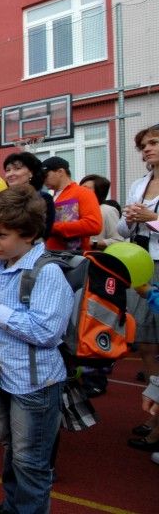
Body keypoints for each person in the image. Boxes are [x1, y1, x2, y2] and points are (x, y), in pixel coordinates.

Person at [0, 185, 73, 513]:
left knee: (31, 461)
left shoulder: (47, 272)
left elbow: (45, 331)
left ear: (29, 235)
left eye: (1, 235)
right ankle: (14, 506)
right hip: (6, 377)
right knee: (12, 450)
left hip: (35, 384)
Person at [118, 124, 159, 442]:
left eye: (154, 143)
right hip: (141, 266)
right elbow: (122, 231)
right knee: (145, 342)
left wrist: (152, 220)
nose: (147, 149)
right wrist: (131, 219)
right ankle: (154, 416)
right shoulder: (138, 184)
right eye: (143, 145)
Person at [42, 156, 102, 251]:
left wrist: (51, 227)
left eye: (45, 176)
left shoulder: (83, 193)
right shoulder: (51, 197)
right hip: (52, 256)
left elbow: (93, 225)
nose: (43, 180)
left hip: (74, 258)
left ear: (60, 172)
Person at [3, 151, 55, 240]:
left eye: (17, 168)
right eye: (8, 170)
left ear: (31, 173)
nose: (11, 174)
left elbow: (44, 232)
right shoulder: (2, 199)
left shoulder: (44, 198)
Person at [79, 174, 124, 250]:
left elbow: (118, 240)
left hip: (96, 258)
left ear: (98, 192)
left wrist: (92, 243)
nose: (80, 191)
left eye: (86, 188)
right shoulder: (75, 209)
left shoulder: (107, 210)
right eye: (80, 188)